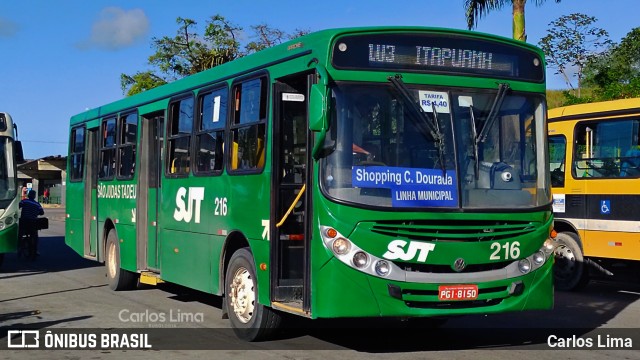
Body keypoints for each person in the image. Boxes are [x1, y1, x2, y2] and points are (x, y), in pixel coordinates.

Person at [19, 190, 44, 260]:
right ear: (34, 196)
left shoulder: (25, 201)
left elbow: (19, 205)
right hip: (33, 222)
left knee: (20, 233)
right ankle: (35, 250)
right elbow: (42, 212)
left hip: (24, 221)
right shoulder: (37, 204)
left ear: (29, 195)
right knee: (35, 236)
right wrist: (36, 213)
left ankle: (19, 245)